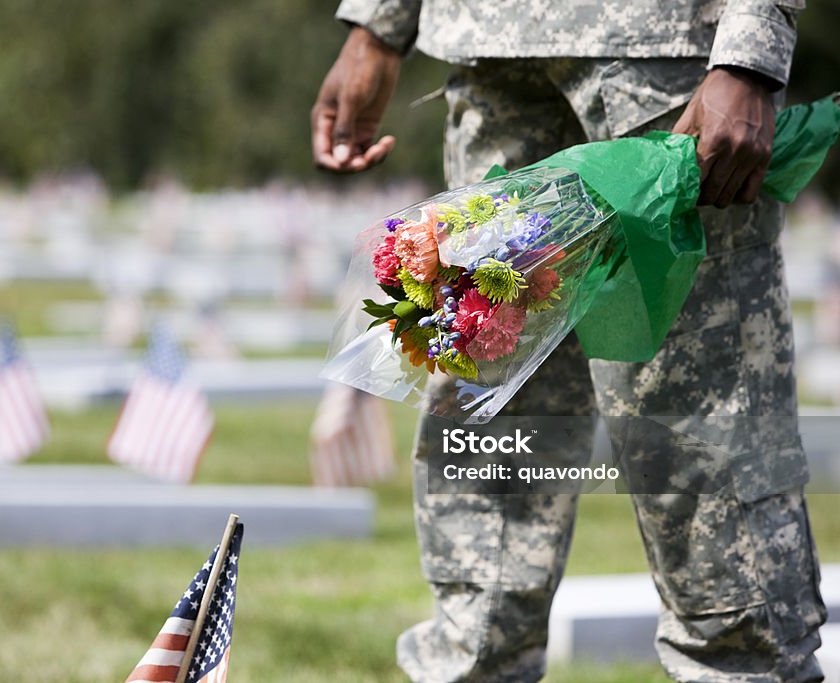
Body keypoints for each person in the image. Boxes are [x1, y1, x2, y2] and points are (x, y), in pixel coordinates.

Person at [311, 1, 828, 681]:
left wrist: (751, 46)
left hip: (669, 59)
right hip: (492, 49)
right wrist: (377, 24)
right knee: (485, 471)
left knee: (711, 471)